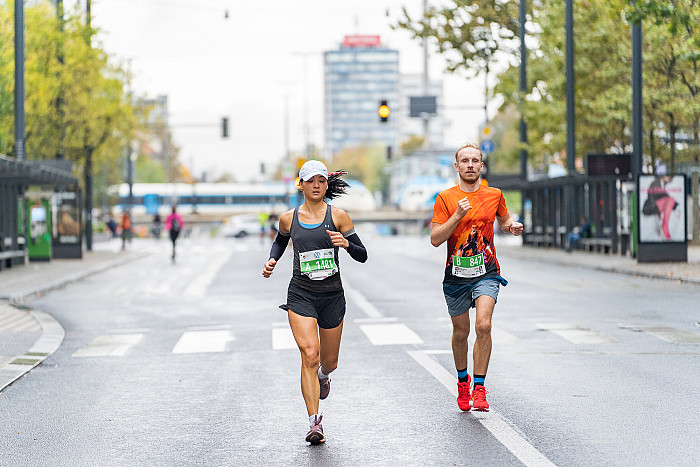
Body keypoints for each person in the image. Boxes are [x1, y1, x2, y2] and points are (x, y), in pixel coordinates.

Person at [262, 160, 368, 445]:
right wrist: (273, 259)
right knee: (309, 354)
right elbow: (281, 241)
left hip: (332, 295)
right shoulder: (288, 218)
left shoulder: (339, 217)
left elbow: (363, 254)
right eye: (311, 181)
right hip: (301, 294)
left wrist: (346, 244)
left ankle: (324, 376)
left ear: (326, 184)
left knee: (328, 362)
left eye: (321, 180)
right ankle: (314, 422)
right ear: (302, 185)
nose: (317, 185)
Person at [430, 142, 523, 412]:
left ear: (481, 166)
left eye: (475, 161)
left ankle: (479, 388)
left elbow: (504, 222)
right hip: (456, 275)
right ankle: (462, 382)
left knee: (483, 326)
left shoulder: (494, 195)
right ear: (456, 166)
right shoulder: (445, 198)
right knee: (461, 332)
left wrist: (511, 227)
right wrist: (458, 215)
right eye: (465, 161)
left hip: (487, 270)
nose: (470, 165)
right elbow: (436, 239)